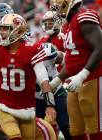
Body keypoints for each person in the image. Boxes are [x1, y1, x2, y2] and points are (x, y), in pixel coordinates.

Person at [50, 0, 102, 139]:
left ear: (68, 3)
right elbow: (73, 60)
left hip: (93, 77)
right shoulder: (69, 25)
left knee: (95, 126)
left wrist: (82, 75)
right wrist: (57, 80)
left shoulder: (84, 17)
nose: (56, 11)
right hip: (74, 82)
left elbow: (100, 47)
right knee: (75, 129)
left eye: (57, 6)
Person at [35, 10, 71, 140]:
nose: (49, 25)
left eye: (51, 23)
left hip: (63, 80)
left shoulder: (63, 37)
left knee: (65, 124)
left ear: (57, 23)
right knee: (41, 125)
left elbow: (70, 60)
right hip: (45, 87)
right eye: (47, 23)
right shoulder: (42, 41)